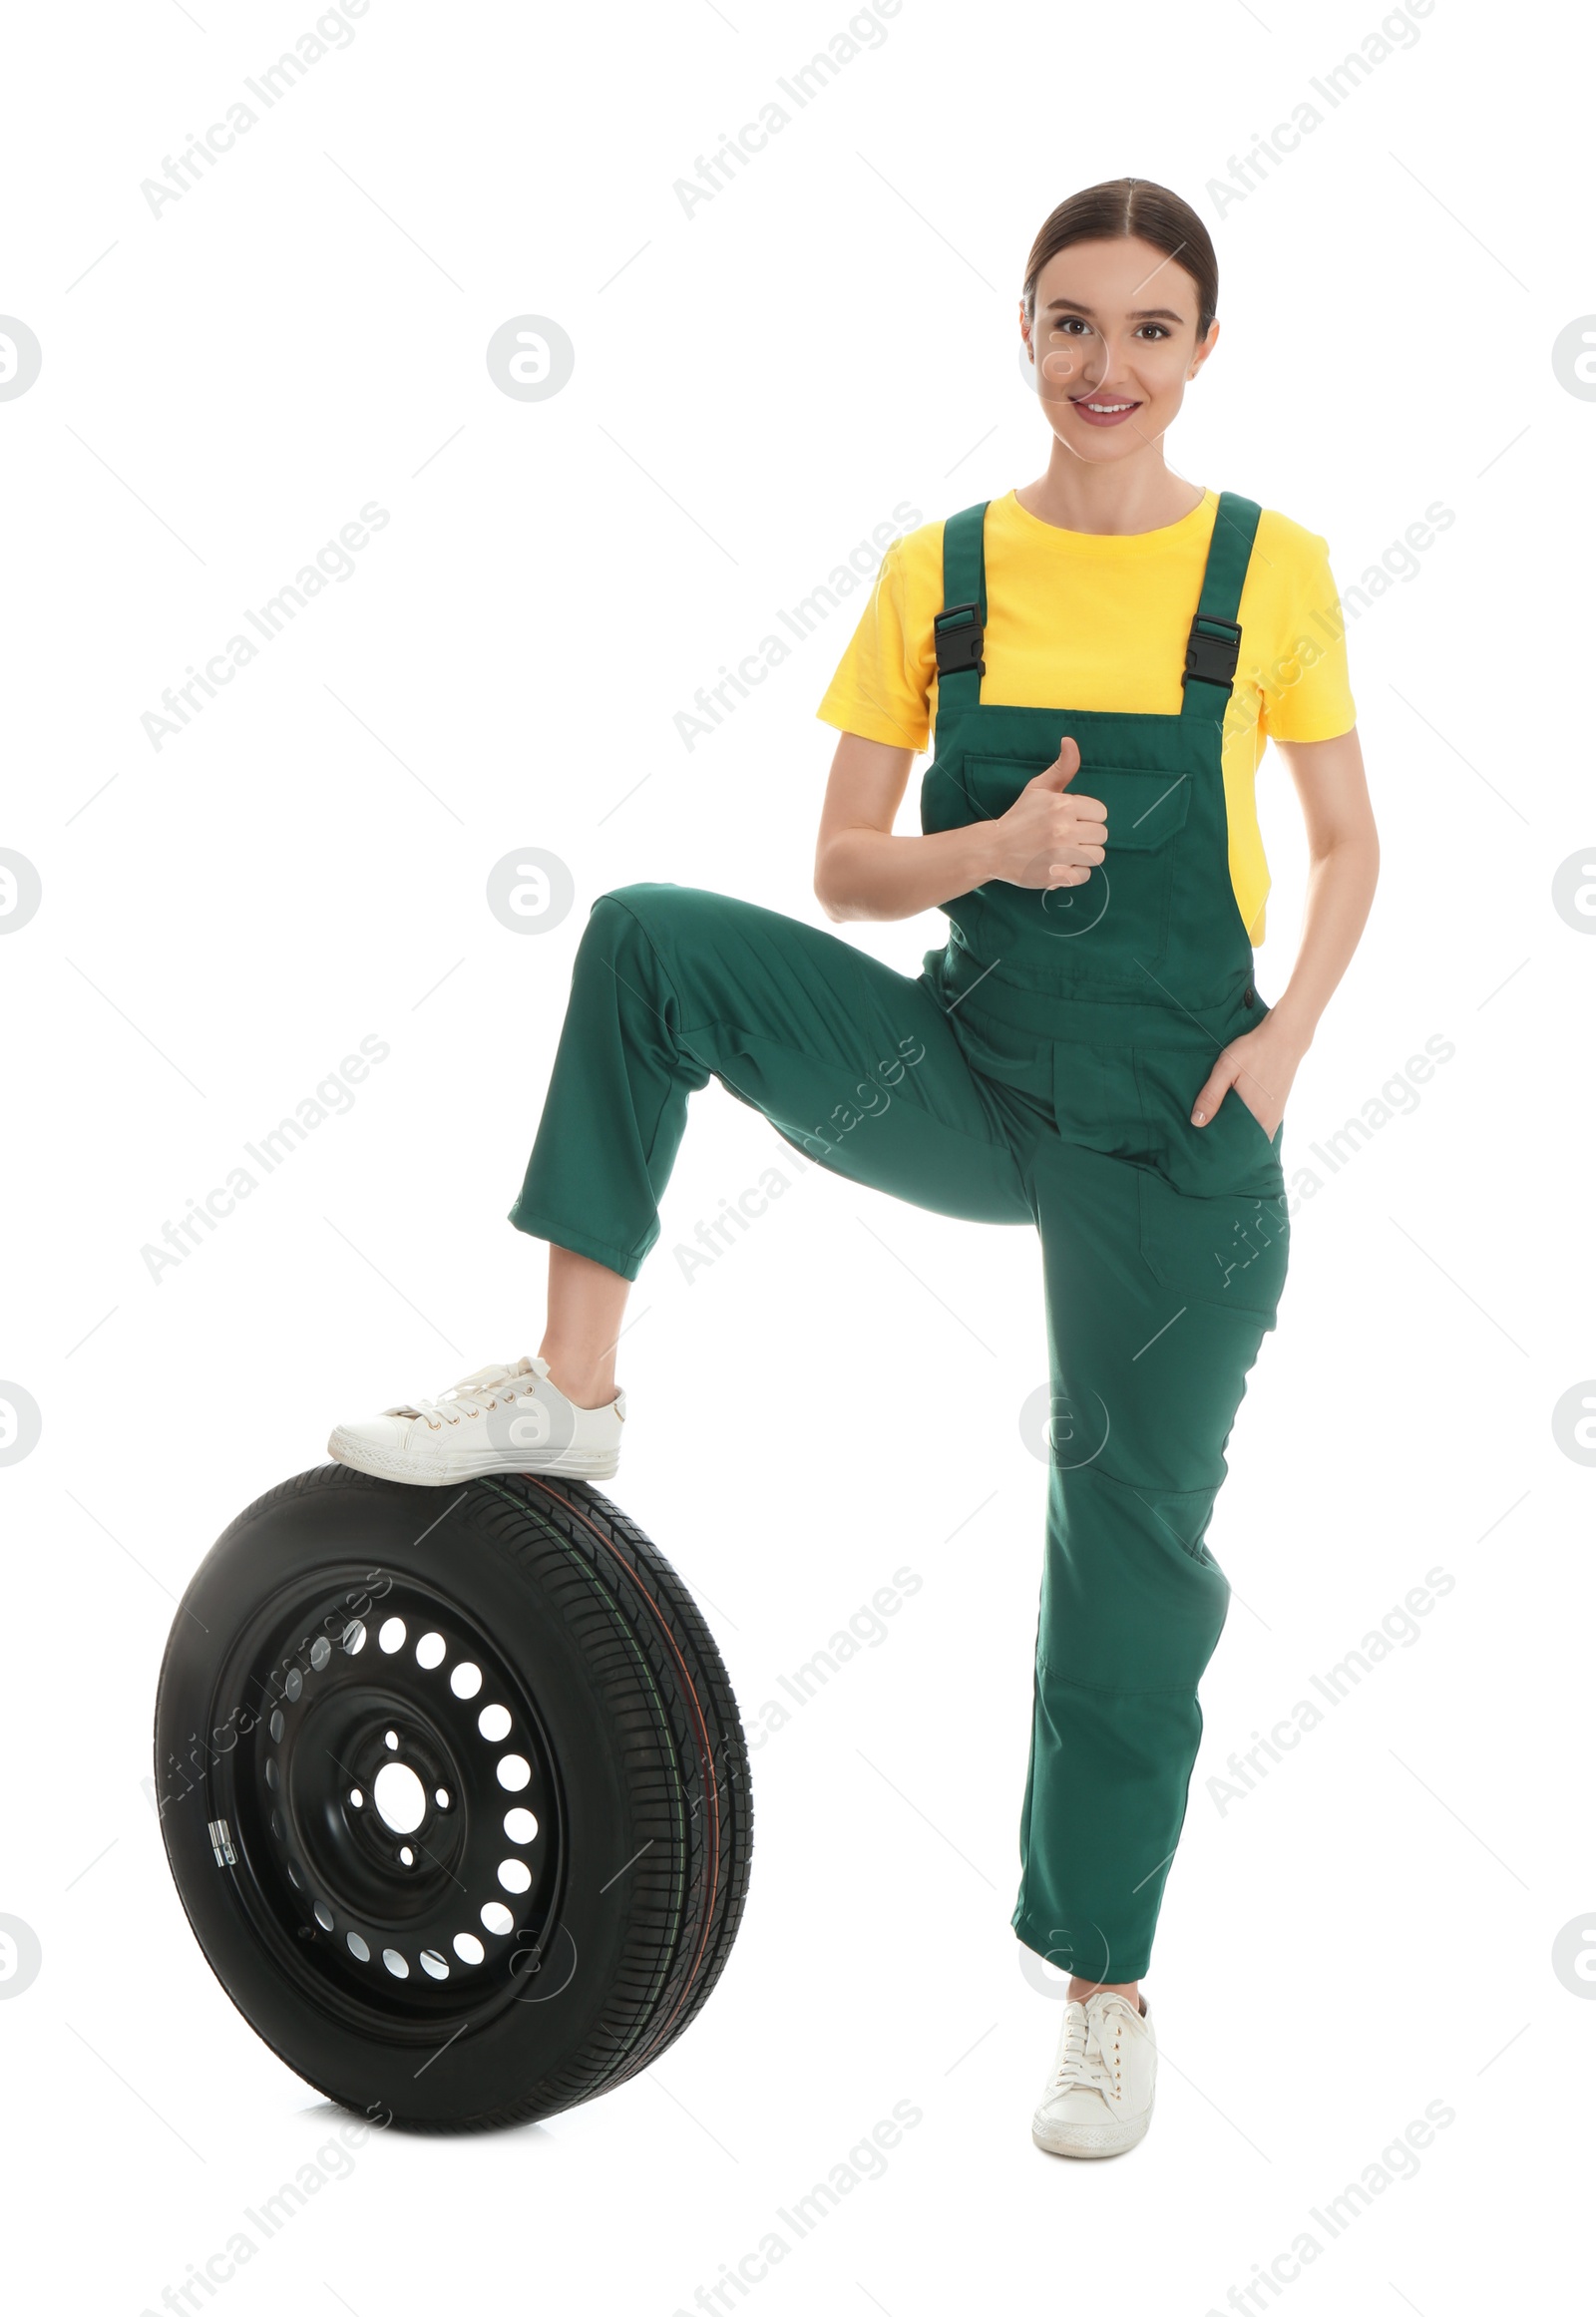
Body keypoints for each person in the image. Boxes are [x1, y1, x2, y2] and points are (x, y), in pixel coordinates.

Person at [329, 177, 1379, 2159]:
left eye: (1148, 329)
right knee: (646, 933)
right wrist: (986, 858)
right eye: (1070, 321)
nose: (1104, 365)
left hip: (1173, 1130)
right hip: (971, 1068)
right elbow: (839, 868)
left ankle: (1099, 1992)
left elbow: (1347, 843)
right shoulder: (939, 574)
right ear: (1022, 328)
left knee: (1124, 1555)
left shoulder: (1273, 570)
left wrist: (1281, 1038)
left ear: (1201, 352)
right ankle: (566, 1390)